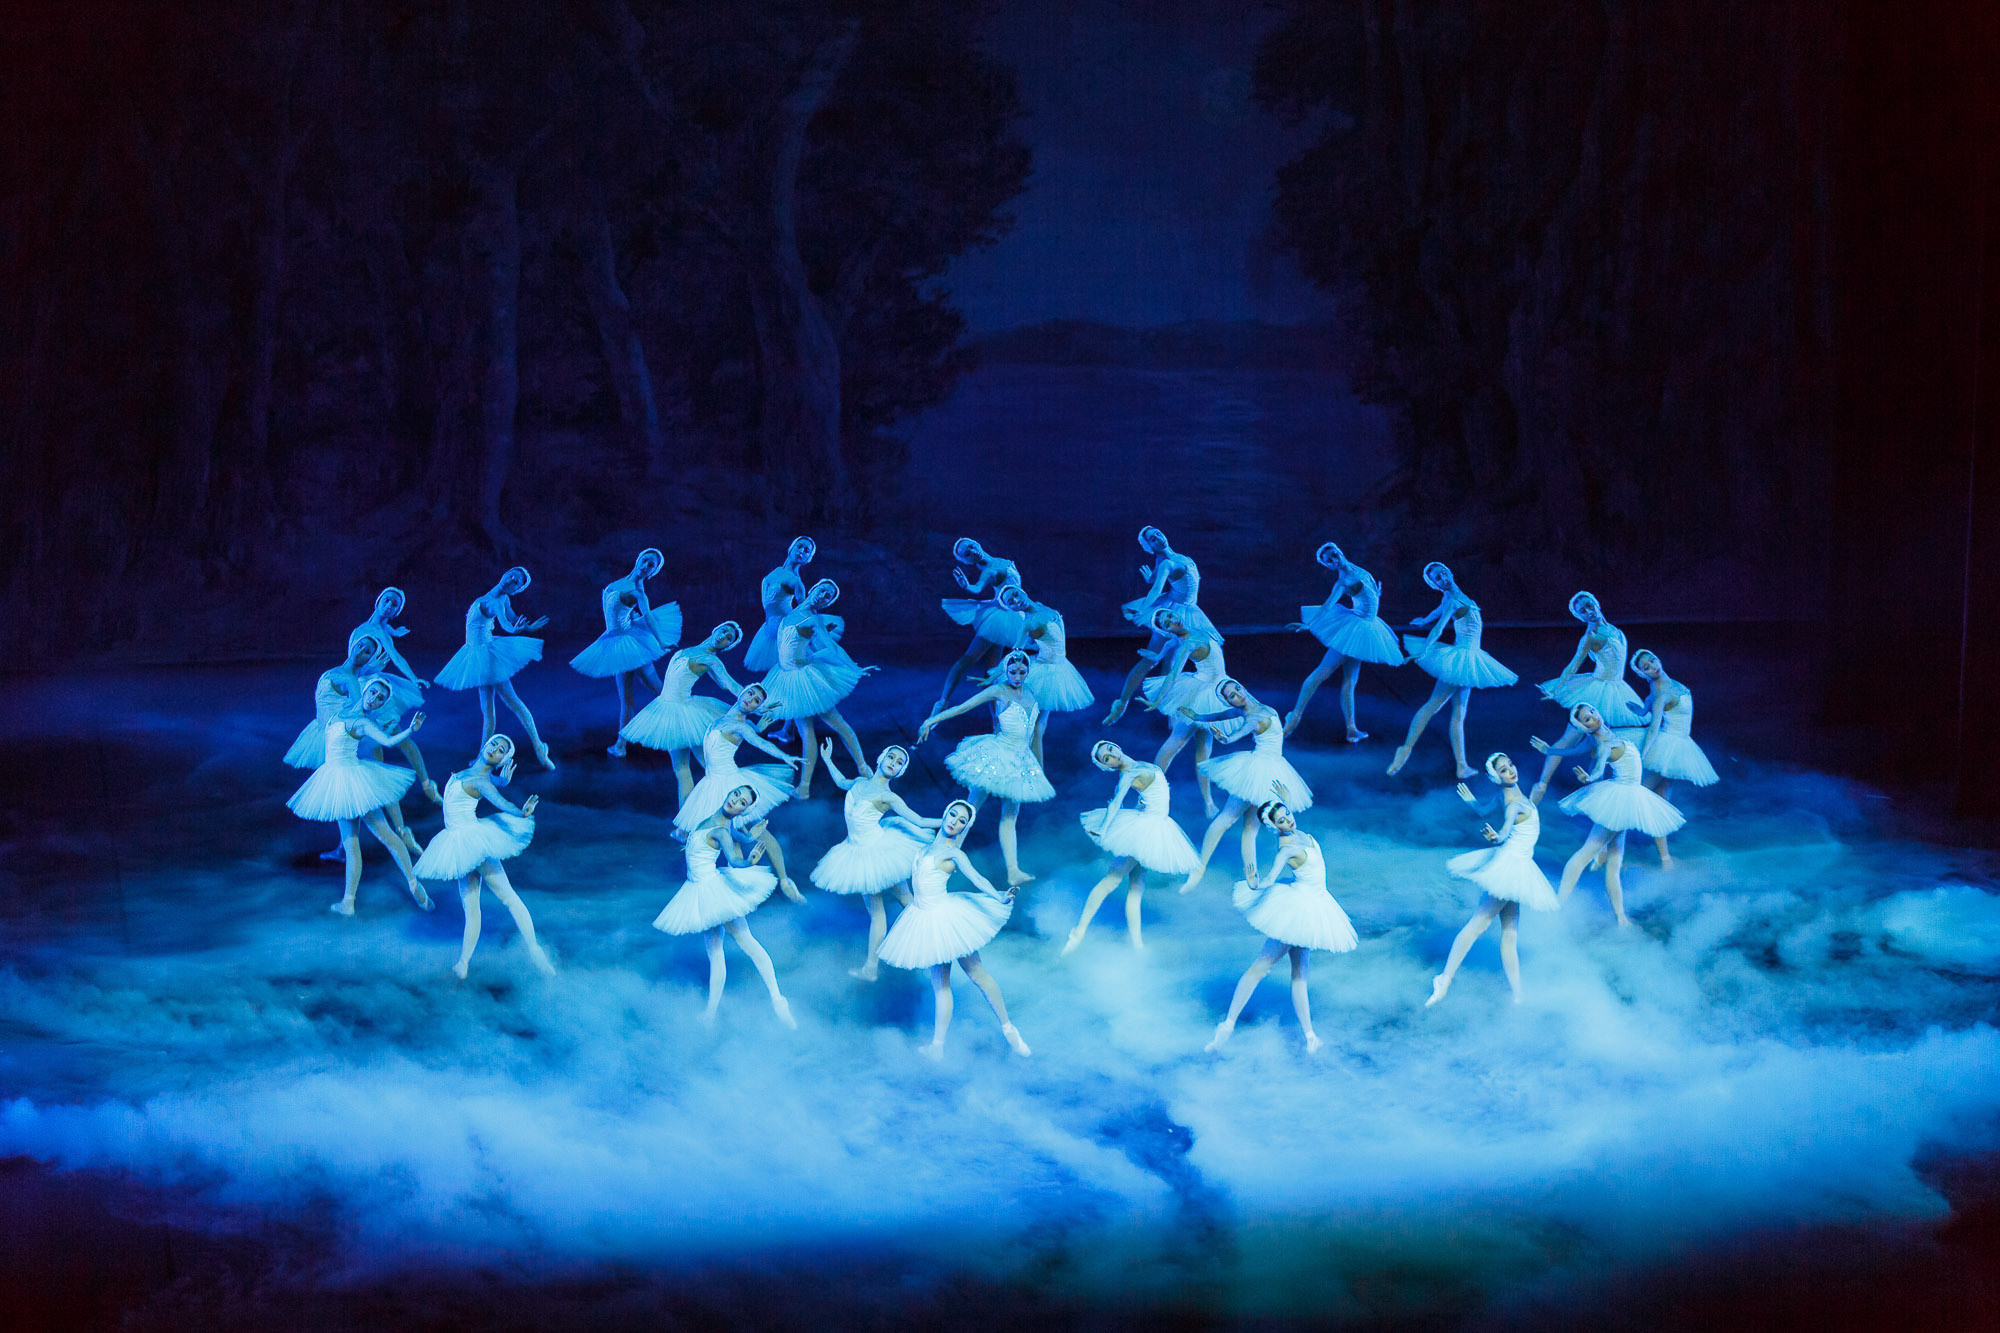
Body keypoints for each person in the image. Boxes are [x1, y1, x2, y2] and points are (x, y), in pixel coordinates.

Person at [876, 800, 1031, 1058]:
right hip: (924, 920)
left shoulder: (954, 853)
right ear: (945, 814)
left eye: (962, 821)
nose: (954, 821)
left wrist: (998, 896)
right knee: (940, 985)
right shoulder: (924, 847)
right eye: (953, 814)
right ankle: (937, 1047)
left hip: (947, 919)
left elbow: (977, 878)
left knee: (977, 974)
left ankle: (1009, 1030)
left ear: (964, 828)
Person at [1205, 802, 1357, 1054]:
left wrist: (1284, 800)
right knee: (1260, 969)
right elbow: (1270, 878)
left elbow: (1289, 819)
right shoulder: (1286, 849)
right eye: (1282, 820)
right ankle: (1226, 1027)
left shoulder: (1300, 834)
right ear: (1275, 827)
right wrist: (1254, 884)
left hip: (1313, 908)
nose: (1289, 820)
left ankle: (1311, 1037)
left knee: (1300, 974)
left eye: (1288, 814)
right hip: (1297, 910)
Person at [652, 785, 797, 1028]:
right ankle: (710, 1014)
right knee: (716, 953)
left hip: (712, 890)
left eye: (742, 803)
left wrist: (748, 861)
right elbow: (737, 836)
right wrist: (749, 837)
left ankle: (778, 1001)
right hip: (699, 890)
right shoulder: (719, 822)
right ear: (729, 793)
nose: (735, 801)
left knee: (746, 942)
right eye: (736, 795)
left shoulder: (721, 831)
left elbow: (734, 859)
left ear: (744, 811)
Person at [414, 734, 554, 979]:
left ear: (502, 759)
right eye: (494, 744)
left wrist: (521, 812)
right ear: (485, 744)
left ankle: (536, 951)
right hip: (457, 843)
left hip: (473, 841)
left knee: (508, 897)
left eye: (500, 750)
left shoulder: (481, 781)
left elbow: (500, 801)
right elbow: (488, 780)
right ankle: (463, 963)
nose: (494, 749)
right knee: (471, 909)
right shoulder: (475, 772)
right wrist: (503, 780)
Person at [286, 683, 432, 916]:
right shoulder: (339, 712)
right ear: (364, 690)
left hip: (352, 782)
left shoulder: (364, 723)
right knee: (351, 845)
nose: (375, 699)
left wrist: (410, 731)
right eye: (373, 692)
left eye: (381, 698)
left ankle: (413, 883)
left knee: (384, 836)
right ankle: (348, 902)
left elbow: (387, 741)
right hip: (338, 781)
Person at [1425, 753, 1558, 1007]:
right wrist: (1497, 837)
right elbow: (1506, 828)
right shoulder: (1513, 803)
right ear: (1497, 777)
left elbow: (1483, 810)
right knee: (1478, 925)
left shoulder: (1507, 796)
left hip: (1517, 867)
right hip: (1511, 866)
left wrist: (1472, 801)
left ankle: (1518, 995)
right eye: (1504, 770)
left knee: (1510, 933)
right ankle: (1444, 979)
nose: (1511, 771)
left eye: (1511, 765)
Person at [1535, 703, 1685, 925]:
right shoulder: (1603, 744)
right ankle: (1558, 906)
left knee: (1614, 862)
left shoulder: (1607, 736)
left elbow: (1572, 750)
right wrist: (1589, 777)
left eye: (1592, 712)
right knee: (1585, 855)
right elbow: (1598, 769)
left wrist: (1551, 751)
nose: (1594, 717)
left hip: (1628, 799)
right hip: (1620, 799)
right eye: (1587, 719)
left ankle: (1620, 917)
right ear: (1584, 727)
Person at [917, 649, 1054, 887]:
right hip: (996, 755)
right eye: (1013, 672)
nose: (1017, 676)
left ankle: (1013, 870)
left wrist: (1038, 767)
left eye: (1022, 672)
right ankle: (942, 858)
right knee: (969, 810)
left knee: (1010, 817)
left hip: (1020, 761)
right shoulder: (998, 690)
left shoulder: (1032, 693)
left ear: (1028, 671)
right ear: (1006, 670)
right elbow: (963, 707)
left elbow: (1034, 735)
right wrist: (932, 719)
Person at [813, 740, 941, 980]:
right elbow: (841, 782)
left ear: (900, 771)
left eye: (899, 762)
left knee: (906, 900)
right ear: (881, 758)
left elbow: (920, 821)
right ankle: (871, 968)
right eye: (891, 757)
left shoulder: (888, 797)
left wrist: (952, 822)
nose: (893, 763)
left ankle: (934, 941)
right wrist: (828, 759)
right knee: (879, 911)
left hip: (881, 851)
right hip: (857, 853)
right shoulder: (860, 782)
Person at [1065, 741, 1199, 954]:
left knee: (1137, 887)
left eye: (1110, 750)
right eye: (1106, 758)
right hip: (1146, 830)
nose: (1112, 755)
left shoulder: (1140, 765)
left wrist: (1140, 807)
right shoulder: (1127, 775)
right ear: (1107, 766)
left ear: (1116, 745)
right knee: (1111, 881)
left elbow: (1150, 795)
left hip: (1153, 827)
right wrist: (1103, 829)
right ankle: (1077, 933)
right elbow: (1115, 802)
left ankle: (1137, 945)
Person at [1387, 562, 1517, 780]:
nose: (1443, 578)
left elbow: (1437, 612)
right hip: (1462, 658)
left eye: (1443, 573)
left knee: (1458, 714)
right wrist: (1424, 651)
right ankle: (1405, 749)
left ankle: (1462, 766)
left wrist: (1424, 619)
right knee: (1434, 705)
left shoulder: (1453, 597)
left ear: (1449, 571)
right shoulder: (1453, 600)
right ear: (1435, 585)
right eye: (1437, 578)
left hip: (1470, 658)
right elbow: (1439, 628)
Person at [435, 566, 555, 769]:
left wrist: (515, 630)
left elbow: (507, 624)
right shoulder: (500, 598)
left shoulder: (498, 601)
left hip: (487, 656)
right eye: (511, 575)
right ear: (506, 573)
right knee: (488, 711)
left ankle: (539, 748)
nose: (510, 580)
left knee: (513, 703)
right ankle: (483, 759)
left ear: (515, 590)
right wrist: (527, 627)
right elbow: (514, 619)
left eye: (515, 582)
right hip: (479, 654)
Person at [1284, 542, 1403, 742]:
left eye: (1334, 554)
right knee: (1322, 673)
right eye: (1329, 561)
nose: (1334, 560)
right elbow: (1327, 606)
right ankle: (1294, 717)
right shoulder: (1343, 582)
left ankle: (1351, 729)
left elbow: (1369, 595)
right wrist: (1309, 624)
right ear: (1328, 566)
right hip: (1355, 628)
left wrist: (1376, 594)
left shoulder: (1358, 570)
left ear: (1339, 551)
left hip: (1366, 628)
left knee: (1350, 681)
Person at [571, 548, 681, 757]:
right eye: (645, 560)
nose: (646, 566)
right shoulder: (622, 581)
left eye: (651, 565)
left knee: (659, 691)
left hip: (629, 645)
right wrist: (629, 618)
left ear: (653, 572)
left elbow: (648, 616)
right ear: (639, 558)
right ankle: (621, 745)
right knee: (628, 698)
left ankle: (684, 724)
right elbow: (617, 611)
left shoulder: (638, 591)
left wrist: (661, 641)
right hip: (618, 643)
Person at [1626, 648, 1719, 868]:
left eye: (1652, 660)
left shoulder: (1657, 688)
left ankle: (1665, 858)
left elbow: (1646, 710)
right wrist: (1641, 757)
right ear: (1643, 673)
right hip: (1667, 747)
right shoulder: (1660, 692)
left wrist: (1639, 710)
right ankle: (1606, 840)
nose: (1653, 667)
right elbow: (1653, 727)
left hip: (1678, 745)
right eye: (1646, 667)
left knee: (1660, 803)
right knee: (1634, 795)